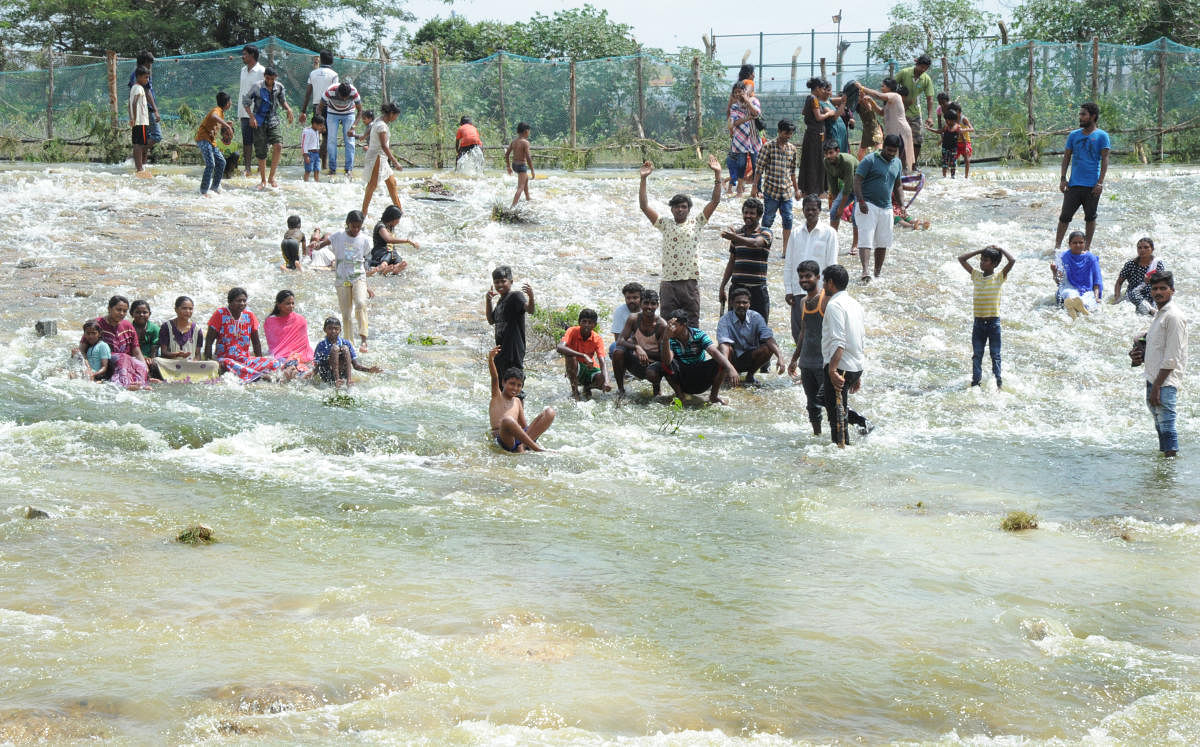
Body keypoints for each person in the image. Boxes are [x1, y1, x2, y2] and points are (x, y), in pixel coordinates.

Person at [639, 156, 722, 328]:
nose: (680, 209)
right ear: (671, 209)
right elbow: (644, 206)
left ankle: (693, 354)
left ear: (689, 209)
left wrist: (718, 175)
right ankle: (669, 355)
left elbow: (714, 201)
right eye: (677, 206)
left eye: (684, 206)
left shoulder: (697, 222)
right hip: (669, 283)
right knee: (667, 324)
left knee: (692, 324)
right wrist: (643, 179)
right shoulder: (665, 224)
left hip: (690, 282)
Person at [1130, 272, 1186, 457]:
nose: (1158, 292)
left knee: (1167, 427)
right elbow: (1154, 347)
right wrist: (1137, 353)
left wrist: (1157, 387)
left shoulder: (1174, 317)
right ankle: (1164, 473)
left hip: (1164, 381)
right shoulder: (1159, 315)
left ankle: (1169, 474)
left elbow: (1172, 357)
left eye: (1163, 288)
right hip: (1153, 378)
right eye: (1155, 289)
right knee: (1160, 425)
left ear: (1172, 290)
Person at [821, 264, 870, 446]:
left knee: (837, 421)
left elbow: (838, 340)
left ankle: (842, 453)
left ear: (831, 283)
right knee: (823, 399)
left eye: (824, 282)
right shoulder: (855, 303)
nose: (823, 286)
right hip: (854, 365)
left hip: (840, 366)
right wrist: (858, 372)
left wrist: (832, 370)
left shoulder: (834, 305)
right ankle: (862, 422)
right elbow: (860, 337)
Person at [312, 210, 373, 351]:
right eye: (353, 226)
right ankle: (349, 343)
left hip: (358, 277)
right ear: (348, 224)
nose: (356, 229)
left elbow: (367, 258)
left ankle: (364, 339)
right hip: (342, 279)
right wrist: (316, 246)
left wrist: (366, 284)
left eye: (359, 226)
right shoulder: (339, 235)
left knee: (361, 303)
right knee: (346, 314)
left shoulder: (364, 239)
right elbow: (324, 243)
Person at [1055, 102, 1110, 250]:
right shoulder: (1074, 135)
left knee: (1090, 217)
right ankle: (1057, 247)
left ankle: (1087, 248)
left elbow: (1105, 160)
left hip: (1092, 186)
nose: (1080, 117)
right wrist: (1062, 178)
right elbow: (1066, 157)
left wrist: (1100, 183)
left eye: (1083, 114)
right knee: (1064, 217)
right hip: (1074, 184)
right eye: (1080, 114)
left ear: (1093, 116)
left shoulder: (1102, 136)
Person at [958, 245, 1016, 388]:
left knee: (995, 355)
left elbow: (1012, 260)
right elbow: (961, 259)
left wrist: (1001, 249)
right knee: (977, 355)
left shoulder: (999, 277)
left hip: (993, 323)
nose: (981, 262)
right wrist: (980, 250)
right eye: (981, 259)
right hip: (978, 323)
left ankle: (998, 383)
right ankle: (975, 383)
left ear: (994, 264)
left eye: (985, 260)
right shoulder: (976, 275)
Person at [785, 195, 839, 340]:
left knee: (818, 332)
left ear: (820, 210)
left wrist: (829, 292)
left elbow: (832, 265)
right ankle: (800, 361)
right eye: (807, 209)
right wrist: (789, 290)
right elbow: (789, 264)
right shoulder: (795, 233)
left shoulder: (830, 233)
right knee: (797, 332)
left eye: (813, 209)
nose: (810, 213)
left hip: (820, 291)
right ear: (802, 210)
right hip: (798, 291)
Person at [853, 134, 906, 281]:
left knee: (883, 242)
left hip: (886, 207)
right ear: (883, 147)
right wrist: (861, 201)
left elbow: (898, 185)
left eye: (893, 151)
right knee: (866, 239)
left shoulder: (897, 163)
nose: (890, 154)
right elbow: (857, 180)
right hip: (867, 205)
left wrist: (902, 205)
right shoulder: (870, 159)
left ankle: (877, 273)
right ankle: (865, 271)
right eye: (888, 150)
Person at [660, 308, 739, 404]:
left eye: (674, 325)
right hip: (683, 376)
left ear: (683, 324)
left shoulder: (698, 334)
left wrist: (730, 368)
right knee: (663, 363)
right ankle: (680, 395)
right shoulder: (669, 339)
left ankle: (713, 396)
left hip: (700, 375)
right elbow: (667, 361)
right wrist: (666, 339)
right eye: (669, 325)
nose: (670, 328)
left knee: (722, 359)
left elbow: (714, 352)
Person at [204, 287, 283, 382]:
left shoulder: (249, 315)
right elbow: (209, 341)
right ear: (230, 302)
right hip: (225, 360)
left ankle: (253, 373)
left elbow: (256, 343)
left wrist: (259, 361)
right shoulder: (220, 314)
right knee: (227, 363)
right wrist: (209, 362)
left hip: (245, 360)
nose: (242, 303)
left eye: (244, 301)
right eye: (238, 301)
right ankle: (259, 376)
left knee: (273, 362)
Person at [489, 346, 555, 453]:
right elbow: (494, 377)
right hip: (505, 438)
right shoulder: (497, 396)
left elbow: (524, 426)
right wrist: (491, 359)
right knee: (507, 420)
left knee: (550, 412)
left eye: (519, 385)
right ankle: (536, 448)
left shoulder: (517, 401)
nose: (515, 388)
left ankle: (523, 446)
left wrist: (528, 435)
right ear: (503, 383)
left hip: (519, 439)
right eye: (512, 384)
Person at [718, 197, 773, 322]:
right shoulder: (737, 234)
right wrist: (722, 286)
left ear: (759, 216)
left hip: (758, 289)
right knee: (734, 328)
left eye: (752, 213)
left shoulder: (766, 233)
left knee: (760, 329)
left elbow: (755, 243)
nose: (748, 216)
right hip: (737, 289)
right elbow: (732, 262)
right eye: (746, 212)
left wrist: (735, 238)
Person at [716, 287, 785, 383]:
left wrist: (780, 357)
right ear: (731, 303)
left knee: (768, 348)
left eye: (744, 302)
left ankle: (750, 376)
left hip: (750, 357)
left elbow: (768, 338)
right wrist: (729, 367)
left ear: (749, 304)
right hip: (731, 358)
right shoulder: (725, 320)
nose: (741, 305)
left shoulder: (756, 317)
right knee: (722, 348)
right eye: (738, 302)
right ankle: (727, 374)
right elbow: (724, 345)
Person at [242, 67, 294, 190]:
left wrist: (288, 109)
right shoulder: (257, 87)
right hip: (258, 121)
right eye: (267, 78)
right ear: (264, 76)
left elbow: (282, 101)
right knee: (261, 151)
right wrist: (251, 117)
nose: (270, 81)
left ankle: (271, 177)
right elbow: (246, 102)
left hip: (273, 120)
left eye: (272, 79)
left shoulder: (279, 87)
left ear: (275, 78)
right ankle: (263, 180)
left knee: (278, 145)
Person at [753, 119, 800, 251]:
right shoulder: (768, 147)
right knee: (768, 219)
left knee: (788, 219)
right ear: (779, 131)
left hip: (786, 192)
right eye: (786, 133)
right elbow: (759, 169)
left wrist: (796, 190)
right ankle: (763, 248)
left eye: (790, 134)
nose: (788, 136)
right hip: (771, 191)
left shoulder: (792, 149)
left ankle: (786, 250)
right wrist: (755, 187)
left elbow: (792, 172)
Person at [84, 295, 151, 388]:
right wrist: (87, 367)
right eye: (118, 310)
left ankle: (142, 384)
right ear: (109, 308)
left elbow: (136, 351)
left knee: (140, 365)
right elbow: (82, 348)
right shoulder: (96, 324)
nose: (121, 313)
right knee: (122, 357)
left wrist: (145, 368)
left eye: (124, 311)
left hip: (126, 361)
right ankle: (124, 384)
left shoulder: (128, 326)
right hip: (105, 361)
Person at [614, 288, 669, 396]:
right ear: (641, 304)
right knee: (617, 353)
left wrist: (644, 353)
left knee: (652, 375)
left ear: (657, 305)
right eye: (646, 303)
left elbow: (664, 357)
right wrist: (637, 348)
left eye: (653, 304)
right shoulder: (633, 319)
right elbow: (620, 340)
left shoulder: (661, 325)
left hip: (654, 364)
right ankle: (621, 390)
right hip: (636, 359)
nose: (649, 307)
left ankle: (657, 392)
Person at [155, 295, 220, 383]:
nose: (188, 311)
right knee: (157, 361)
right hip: (171, 365)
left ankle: (186, 376)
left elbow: (197, 355)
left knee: (214, 364)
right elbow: (164, 353)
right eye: (184, 308)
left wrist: (194, 361)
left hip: (189, 365)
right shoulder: (166, 327)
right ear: (176, 309)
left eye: (190, 309)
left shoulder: (197, 330)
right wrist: (178, 354)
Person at [856, 79, 914, 171]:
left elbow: (878, 95)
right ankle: (898, 177)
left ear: (889, 88)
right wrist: (871, 102)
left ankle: (901, 178)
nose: (881, 88)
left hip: (900, 131)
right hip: (893, 132)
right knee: (894, 157)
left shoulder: (895, 96)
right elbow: (881, 112)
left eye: (883, 86)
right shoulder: (889, 101)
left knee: (900, 158)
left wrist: (862, 88)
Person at [486, 265, 534, 375]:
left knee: (514, 383)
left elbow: (530, 310)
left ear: (511, 282)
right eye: (496, 282)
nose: (500, 285)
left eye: (503, 281)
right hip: (501, 351)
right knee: (502, 386)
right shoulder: (500, 302)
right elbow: (491, 321)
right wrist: (488, 301)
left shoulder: (516, 296)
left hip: (514, 350)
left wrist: (531, 296)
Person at [556, 308, 611, 399]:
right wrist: (583, 355)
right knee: (570, 357)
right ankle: (575, 392)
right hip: (576, 367)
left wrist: (607, 381)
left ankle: (587, 388)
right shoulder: (572, 331)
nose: (586, 325)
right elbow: (560, 347)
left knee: (602, 378)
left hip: (590, 368)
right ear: (579, 322)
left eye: (590, 322)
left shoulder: (597, 339)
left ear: (595, 325)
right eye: (584, 322)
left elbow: (602, 361)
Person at [798, 79, 841, 196]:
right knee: (816, 162)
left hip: (811, 134)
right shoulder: (814, 99)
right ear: (817, 88)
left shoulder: (809, 98)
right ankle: (815, 189)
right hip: (816, 135)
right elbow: (818, 117)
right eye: (822, 89)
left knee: (810, 160)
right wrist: (828, 114)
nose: (823, 91)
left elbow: (804, 112)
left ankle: (807, 188)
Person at [361, 102, 403, 218]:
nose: (396, 118)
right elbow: (384, 146)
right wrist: (395, 162)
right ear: (391, 114)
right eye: (396, 115)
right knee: (372, 185)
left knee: (392, 183)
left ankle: (399, 211)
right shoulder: (382, 126)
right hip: (377, 158)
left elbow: (370, 131)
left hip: (381, 158)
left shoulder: (379, 121)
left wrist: (363, 137)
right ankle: (363, 212)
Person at [299, 50, 338, 170]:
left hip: (316, 107)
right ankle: (324, 165)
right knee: (327, 136)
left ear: (320, 59)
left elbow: (307, 94)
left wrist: (303, 111)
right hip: (329, 107)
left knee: (316, 135)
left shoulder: (313, 73)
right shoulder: (334, 75)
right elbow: (334, 93)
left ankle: (314, 164)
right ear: (331, 60)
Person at [313, 317, 380, 387]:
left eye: (336, 329)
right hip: (328, 375)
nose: (333, 331)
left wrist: (369, 370)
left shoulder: (346, 343)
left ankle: (349, 380)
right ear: (324, 330)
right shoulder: (321, 345)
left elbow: (355, 365)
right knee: (335, 349)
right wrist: (309, 376)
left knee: (345, 348)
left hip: (342, 374)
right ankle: (337, 380)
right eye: (330, 328)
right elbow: (317, 367)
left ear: (340, 330)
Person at [263, 290, 315, 379]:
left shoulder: (300, 320)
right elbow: (274, 346)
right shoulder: (270, 321)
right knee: (283, 363)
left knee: (301, 364)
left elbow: (304, 344)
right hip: (281, 355)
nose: (291, 306)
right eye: (287, 303)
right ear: (278, 305)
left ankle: (296, 371)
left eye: (292, 303)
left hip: (301, 354)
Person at [1051, 230, 1103, 318]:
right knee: (1069, 294)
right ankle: (1073, 307)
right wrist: (1054, 272)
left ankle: (1077, 308)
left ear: (1085, 243)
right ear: (1069, 244)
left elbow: (1097, 281)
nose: (1078, 245)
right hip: (1067, 288)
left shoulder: (1091, 258)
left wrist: (1096, 297)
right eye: (1075, 243)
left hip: (1086, 290)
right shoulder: (1062, 257)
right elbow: (1059, 282)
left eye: (1081, 242)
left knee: (1088, 304)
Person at [895, 55, 935, 162]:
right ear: (917, 64)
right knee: (898, 139)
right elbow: (891, 85)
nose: (923, 70)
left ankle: (913, 164)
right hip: (900, 112)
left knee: (917, 140)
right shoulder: (904, 73)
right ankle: (897, 163)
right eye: (921, 67)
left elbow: (930, 98)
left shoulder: (926, 79)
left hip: (915, 113)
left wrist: (930, 117)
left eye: (925, 68)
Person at [1113, 237, 1167, 315]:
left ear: (1152, 249)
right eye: (1139, 248)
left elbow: (1162, 284)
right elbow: (1119, 282)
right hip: (1133, 296)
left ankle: (1151, 309)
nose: (1142, 250)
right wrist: (1117, 297)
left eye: (1146, 247)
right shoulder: (1130, 264)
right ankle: (1150, 309)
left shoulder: (1157, 264)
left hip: (1151, 296)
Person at [726, 81, 762, 197]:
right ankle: (740, 190)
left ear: (744, 92)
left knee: (757, 165)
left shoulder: (754, 101)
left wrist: (747, 101)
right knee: (741, 165)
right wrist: (747, 118)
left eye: (739, 91)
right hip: (740, 139)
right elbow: (735, 122)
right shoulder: (735, 106)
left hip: (754, 138)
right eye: (735, 92)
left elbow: (756, 113)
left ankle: (758, 189)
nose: (737, 94)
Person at [319, 81, 362, 177]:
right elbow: (319, 108)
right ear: (337, 92)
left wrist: (353, 127)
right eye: (341, 96)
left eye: (346, 98)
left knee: (350, 141)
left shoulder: (354, 92)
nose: (343, 99)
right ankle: (332, 169)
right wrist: (322, 124)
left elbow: (360, 111)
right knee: (331, 140)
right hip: (332, 113)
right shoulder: (330, 91)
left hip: (349, 113)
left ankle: (348, 169)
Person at [194, 91, 234, 195]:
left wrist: (225, 124)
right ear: (227, 103)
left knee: (221, 162)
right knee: (211, 164)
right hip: (203, 139)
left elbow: (216, 122)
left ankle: (214, 187)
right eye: (230, 101)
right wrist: (227, 126)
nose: (231, 103)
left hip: (211, 142)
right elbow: (213, 116)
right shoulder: (217, 110)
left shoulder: (221, 113)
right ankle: (203, 191)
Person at [823, 140, 859, 250]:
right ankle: (832, 242)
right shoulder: (826, 162)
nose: (828, 156)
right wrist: (836, 205)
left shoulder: (847, 161)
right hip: (848, 187)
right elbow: (833, 185)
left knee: (855, 216)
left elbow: (848, 186)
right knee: (834, 211)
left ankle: (855, 245)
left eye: (831, 153)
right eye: (826, 153)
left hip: (861, 187)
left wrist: (841, 208)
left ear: (837, 151)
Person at [237, 45, 266, 178]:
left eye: (245, 54)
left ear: (252, 56)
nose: (243, 56)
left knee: (260, 140)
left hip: (258, 112)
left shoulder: (261, 71)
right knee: (247, 141)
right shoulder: (243, 70)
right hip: (244, 111)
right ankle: (247, 168)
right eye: (243, 54)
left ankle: (261, 169)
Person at [369, 204, 419, 276]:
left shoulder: (390, 226)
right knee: (388, 254)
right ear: (392, 218)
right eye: (398, 219)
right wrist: (408, 240)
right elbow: (388, 239)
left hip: (391, 252)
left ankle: (394, 269)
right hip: (380, 252)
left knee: (398, 259)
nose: (398, 221)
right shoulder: (381, 226)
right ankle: (383, 268)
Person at [504, 122, 535, 207]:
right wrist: (532, 170)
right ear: (526, 131)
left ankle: (528, 198)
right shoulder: (525, 142)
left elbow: (506, 154)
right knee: (520, 187)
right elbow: (528, 157)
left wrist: (508, 167)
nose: (529, 133)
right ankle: (512, 206)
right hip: (521, 166)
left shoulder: (514, 142)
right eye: (529, 131)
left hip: (514, 165)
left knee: (525, 180)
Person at [128, 66, 151, 176]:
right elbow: (134, 103)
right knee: (139, 144)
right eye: (146, 77)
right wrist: (134, 119)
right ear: (139, 77)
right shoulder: (139, 88)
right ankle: (140, 168)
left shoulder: (133, 87)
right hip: (140, 121)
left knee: (138, 143)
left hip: (137, 121)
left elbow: (129, 105)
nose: (147, 80)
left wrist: (131, 118)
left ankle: (139, 166)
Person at [936, 108, 962, 178]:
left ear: (953, 120)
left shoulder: (958, 127)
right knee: (944, 162)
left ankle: (952, 176)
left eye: (948, 120)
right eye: (946, 120)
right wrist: (930, 129)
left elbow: (962, 138)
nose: (947, 121)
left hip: (953, 148)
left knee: (953, 163)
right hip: (945, 147)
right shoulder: (946, 127)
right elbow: (940, 132)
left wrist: (965, 147)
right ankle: (944, 176)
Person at [301, 115, 325, 182]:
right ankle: (306, 182)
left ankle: (316, 182)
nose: (321, 127)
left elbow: (322, 130)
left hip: (316, 154)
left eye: (322, 125)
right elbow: (304, 144)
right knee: (308, 170)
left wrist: (322, 129)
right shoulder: (307, 131)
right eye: (320, 125)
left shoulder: (317, 131)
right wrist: (306, 156)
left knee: (317, 170)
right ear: (314, 124)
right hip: (309, 153)